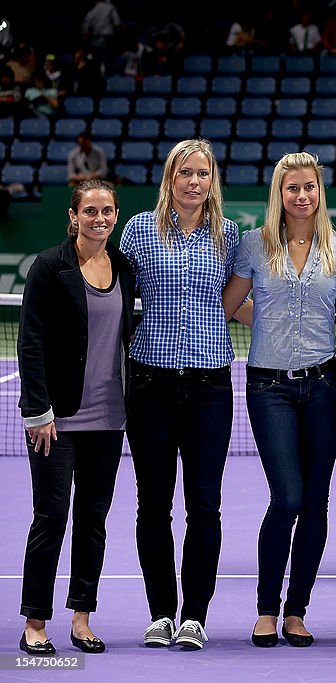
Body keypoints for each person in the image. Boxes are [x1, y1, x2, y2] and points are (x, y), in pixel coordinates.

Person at [221, 152, 336, 648]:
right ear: (278, 193)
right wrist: (274, 325)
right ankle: (266, 611)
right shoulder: (253, 245)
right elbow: (229, 305)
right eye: (292, 187)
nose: (302, 196)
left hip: (324, 387)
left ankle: (297, 612)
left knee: (316, 505)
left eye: (310, 187)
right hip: (268, 389)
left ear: (320, 192)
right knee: (288, 499)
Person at [119, 139, 239, 651]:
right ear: (170, 178)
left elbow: (239, 300)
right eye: (185, 173)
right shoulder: (139, 231)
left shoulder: (229, 236)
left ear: (213, 181)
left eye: (203, 174)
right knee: (153, 505)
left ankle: (194, 616)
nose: (194, 182)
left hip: (211, 385)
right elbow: (110, 296)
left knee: (205, 507)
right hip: (150, 385)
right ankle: (160, 613)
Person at [17, 180, 135, 657]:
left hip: (109, 420)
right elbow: (30, 342)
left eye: (107, 210)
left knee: (93, 519)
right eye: (91, 210)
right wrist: (38, 411)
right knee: (50, 516)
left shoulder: (123, 265)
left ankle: (82, 618)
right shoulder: (50, 266)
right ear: (74, 215)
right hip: (56, 421)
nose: (100, 218)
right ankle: (35, 622)